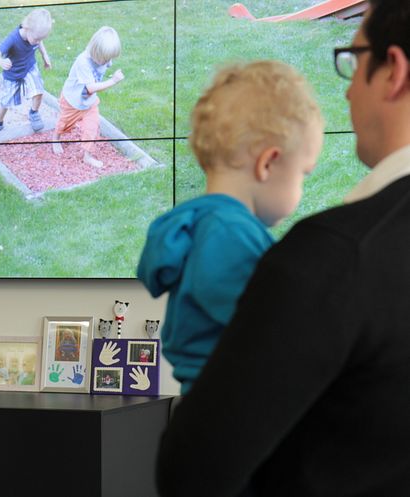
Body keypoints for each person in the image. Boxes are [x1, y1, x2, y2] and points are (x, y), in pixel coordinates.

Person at [158, 2, 410, 495]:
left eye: (354, 59)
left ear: (393, 71)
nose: (347, 85)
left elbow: (193, 469)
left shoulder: (332, 258)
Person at [137, 60, 324, 395]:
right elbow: (269, 323)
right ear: (268, 163)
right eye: (303, 175)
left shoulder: (202, 222)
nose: (301, 189)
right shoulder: (227, 232)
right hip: (230, 396)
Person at [51, 26, 124, 168]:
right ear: (96, 52)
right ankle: (56, 138)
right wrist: (113, 81)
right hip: (72, 101)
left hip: (89, 102)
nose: (108, 62)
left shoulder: (104, 58)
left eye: (110, 58)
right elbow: (90, 88)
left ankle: (87, 155)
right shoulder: (82, 62)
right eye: (105, 58)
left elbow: (92, 89)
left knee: (92, 126)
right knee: (64, 124)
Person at [0, 8, 53, 134]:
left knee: (39, 90)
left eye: (40, 39)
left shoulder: (35, 35)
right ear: (27, 28)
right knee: (7, 100)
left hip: (29, 67)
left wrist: (44, 55)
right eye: (36, 39)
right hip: (14, 73)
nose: (38, 42)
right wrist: (1, 61)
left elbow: (39, 42)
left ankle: (34, 113)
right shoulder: (13, 38)